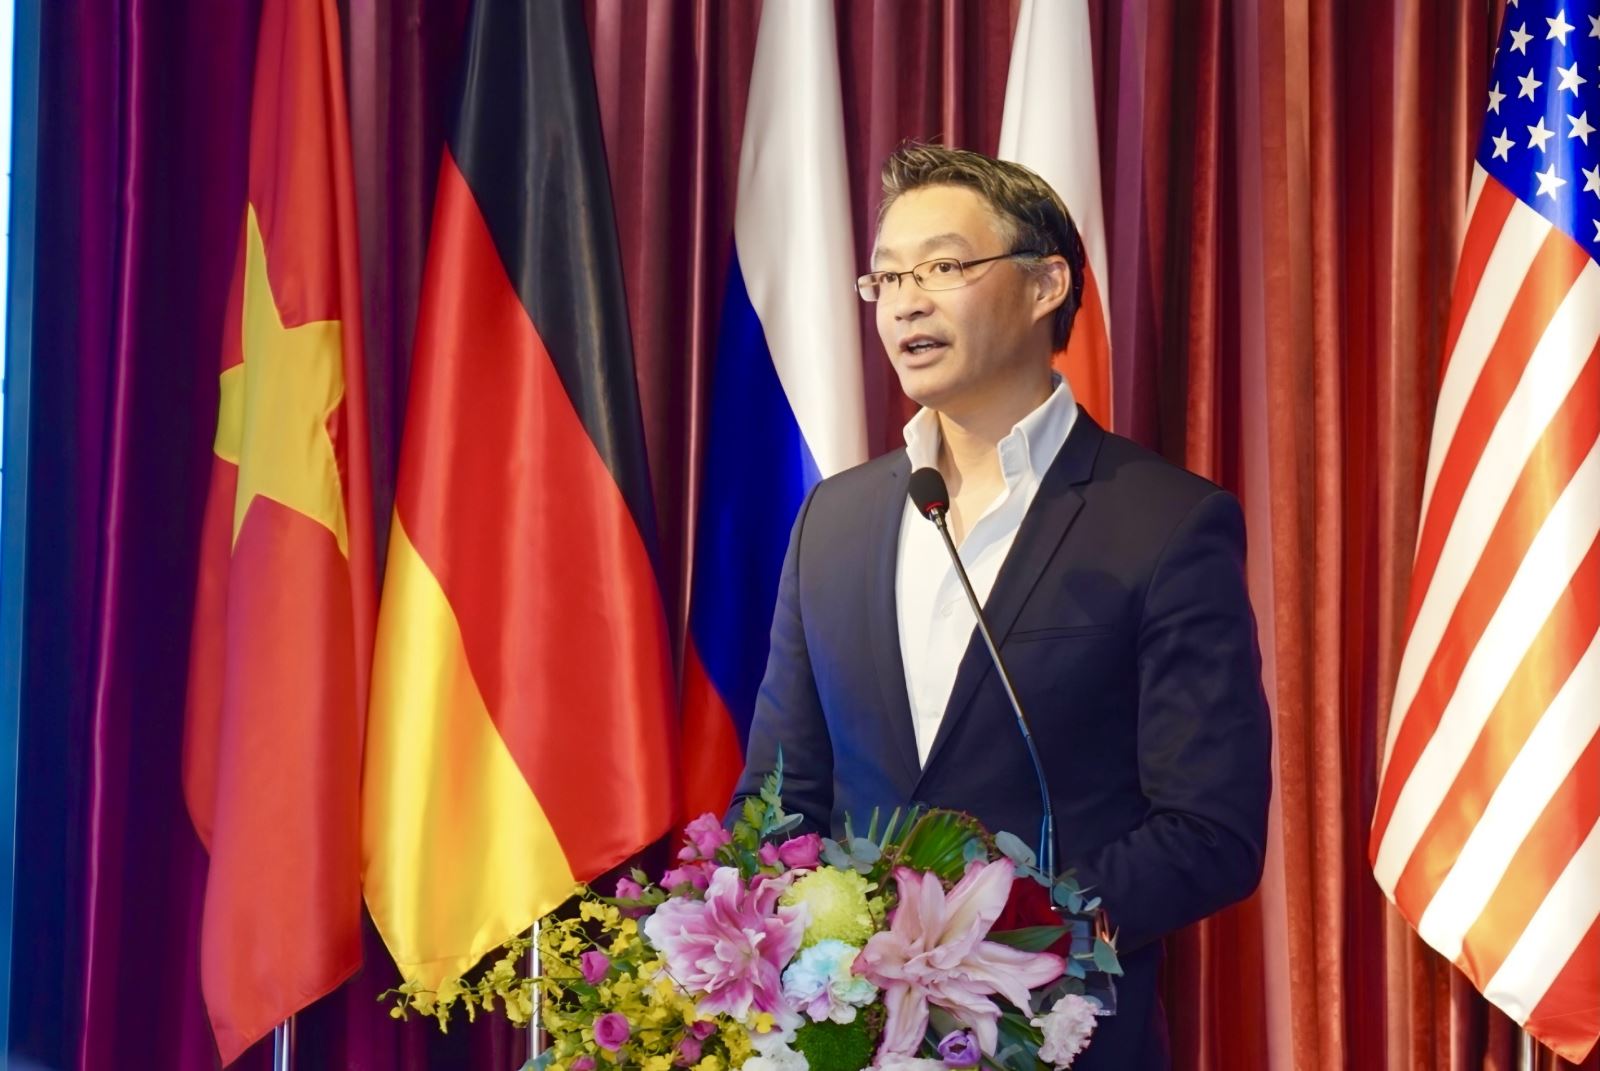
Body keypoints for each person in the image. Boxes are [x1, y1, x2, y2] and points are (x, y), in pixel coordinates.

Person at [731, 142, 1272, 1069]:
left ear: (1045, 284)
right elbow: (780, 800)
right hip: (844, 1043)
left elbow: (1209, 829)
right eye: (886, 277)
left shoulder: (1165, 522)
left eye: (942, 267)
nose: (905, 302)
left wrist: (1008, 943)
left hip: (1061, 1040)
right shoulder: (834, 520)